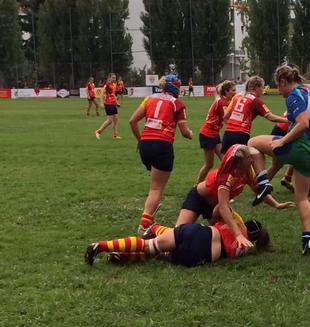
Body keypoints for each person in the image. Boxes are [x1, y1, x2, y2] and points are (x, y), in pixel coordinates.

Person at [248, 65, 310, 255]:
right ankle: (307, 239)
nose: (279, 91)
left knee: (252, 142)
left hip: (298, 146)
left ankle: (263, 183)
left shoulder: (293, 95)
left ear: (282, 81)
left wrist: (283, 140)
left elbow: (303, 124)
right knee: (302, 198)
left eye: (278, 86)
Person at [129, 74, 193, 235]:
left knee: (155, 184)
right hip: (162, 145)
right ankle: (144, 225)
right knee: (156, 189)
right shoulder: (177, 104)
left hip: (145, 145)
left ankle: (149, 218)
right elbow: (184, 132)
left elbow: (132, 121)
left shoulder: (149, 99)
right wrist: (191, 134)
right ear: (175, 87)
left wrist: (140, 139)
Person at [84, 214, 270, 267]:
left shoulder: (235, 222)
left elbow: (216, 212)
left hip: (201, 233)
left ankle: (100, 246)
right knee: (159, 254)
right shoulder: (246, 248)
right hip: (200, 257)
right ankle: (123, 258)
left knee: (150, 245)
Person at [177, 144, 294, 227]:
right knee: (178, 233)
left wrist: (276, 205)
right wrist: (237, 235)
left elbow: (259, 191)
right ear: (238, 163)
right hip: (199, 199)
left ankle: (206, 229)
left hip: (217, 207)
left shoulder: (247, 172)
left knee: (228, 235)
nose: (252, 161)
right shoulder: (227, 177)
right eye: (249, 158)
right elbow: (223, 207)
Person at [221, 76, 288, 153]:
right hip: (241, 134)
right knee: (244, 163)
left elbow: (226, 116)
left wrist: (233, 125)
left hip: (227, 134)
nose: (262, 91)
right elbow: (270, 117)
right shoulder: (255, 100)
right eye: (262, 88)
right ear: (257, 87)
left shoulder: (237, 96)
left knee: (227, 163)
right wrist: (288, 120)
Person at [195, 80, 236, 184]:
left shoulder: (223, 101)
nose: (235, 92)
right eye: (233, 90)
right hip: (207, 135)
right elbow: (227, 119)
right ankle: (197, 186)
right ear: (226, 92)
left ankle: (222, 186)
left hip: (214, 135)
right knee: (209, 164)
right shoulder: (222, 102)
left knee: (225, 161)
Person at [94, 73, 121, 140]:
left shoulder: (114, 85)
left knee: (116, 119)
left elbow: (113, 94)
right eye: (113, 78)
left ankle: (115, 135)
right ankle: (98, 131)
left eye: (115, 78)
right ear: (109, 78)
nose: (114, 79)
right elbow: (101, 94)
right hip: (108, 104)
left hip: (113, 104)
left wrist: (116, 102)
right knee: (109, 120)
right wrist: (101, 103)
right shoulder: (107, 85)